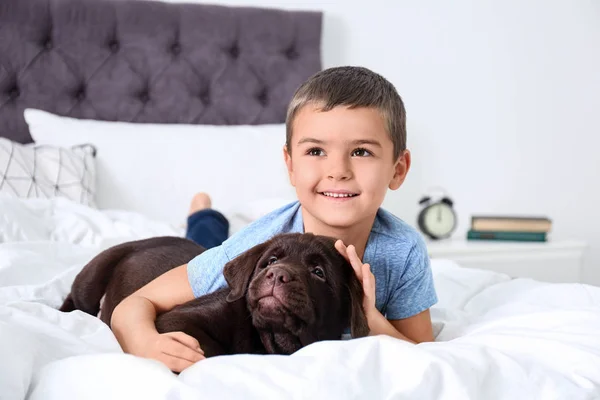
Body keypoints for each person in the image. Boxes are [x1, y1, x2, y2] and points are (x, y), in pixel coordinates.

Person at [110, 66, 438, 372]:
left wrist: (371, 319)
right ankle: (202, 212)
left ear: (398, 169)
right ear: (290, 164)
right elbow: (137, 302)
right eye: (315, 151)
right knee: (201, 242)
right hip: (226, 243)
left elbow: (423, 353)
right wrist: (143, 342)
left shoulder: (402, 250)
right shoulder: (262, 242)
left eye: (361, 152)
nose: (338, 171)